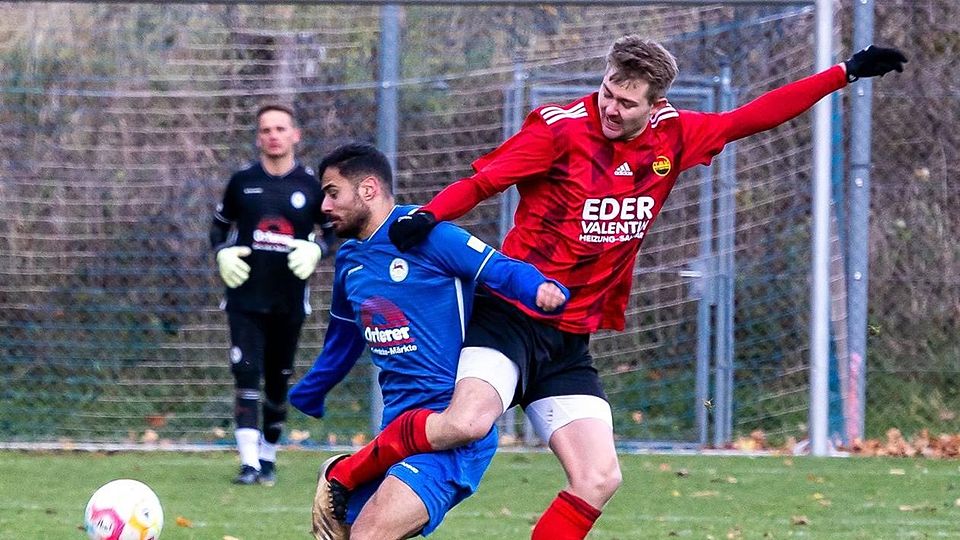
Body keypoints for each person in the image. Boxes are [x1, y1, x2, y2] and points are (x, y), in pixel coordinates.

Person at [318, 37, 909, 538]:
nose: (610, 108)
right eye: (607, 92)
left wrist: (844, 73)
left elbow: (753, 117)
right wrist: (432, 215)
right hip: (510, 317)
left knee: (600, 477)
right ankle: (346, 473)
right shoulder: (559, 129)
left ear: (655, 106)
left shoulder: (674, 137)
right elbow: (487, 179)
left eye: (626, 103)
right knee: (469, 421)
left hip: (570, 339)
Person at [288, 142, 569, 540]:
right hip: (394, 431)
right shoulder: (350, 259)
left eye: (333, 193)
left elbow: (499, 269)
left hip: (450, 427)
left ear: (368, 189)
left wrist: (540, 289)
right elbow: (343, 338)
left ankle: (342, 472)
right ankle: (346, 471)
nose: (325, 206)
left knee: (369, 535)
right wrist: (313, 390)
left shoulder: (429, 237)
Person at [209, 103, 333, 486]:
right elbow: (218, 228)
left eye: (281, 128)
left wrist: (318, 250)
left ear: (295, 135)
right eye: (266, 130)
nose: (273, 135)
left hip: (289, 300)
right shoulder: (242, 182)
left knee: (278, 381)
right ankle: (247, 464)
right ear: (258, 137)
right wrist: (221, 253)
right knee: (245, 372)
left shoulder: (311, 186)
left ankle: (268, 456)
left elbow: (332, 231)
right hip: (245, 298)